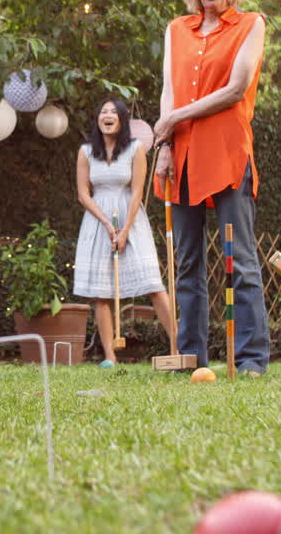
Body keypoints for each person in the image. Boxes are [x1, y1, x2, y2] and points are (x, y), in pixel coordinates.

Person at [152, 0, 269, 375]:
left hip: (226, 154)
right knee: (186, 264)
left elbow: (237, 88)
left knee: (238, 258)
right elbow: (169, 89)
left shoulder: (251, 25)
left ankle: (253, 360)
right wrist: (165, 144)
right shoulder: (176, 30)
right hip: (180, 157)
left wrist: (175, 118)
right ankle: (191, 359)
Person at [73, 98, 175, 367]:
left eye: (113, 112)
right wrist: (107, 224)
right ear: (98, 120)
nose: (107, 115)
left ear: (121, 120)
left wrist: (125, 229)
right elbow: (83, 194)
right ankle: (109, 356)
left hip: (131, 219)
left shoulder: (135, 149)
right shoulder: (86, 152)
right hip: (97, 221)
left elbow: (138, 191)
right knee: (101, 293)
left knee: (153, 284)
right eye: (103, 111)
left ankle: (177, 346)